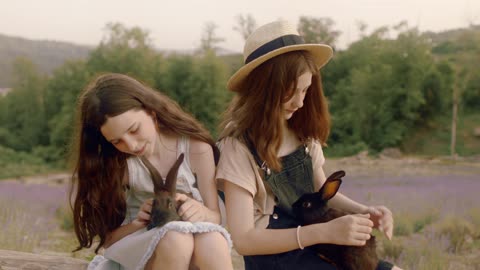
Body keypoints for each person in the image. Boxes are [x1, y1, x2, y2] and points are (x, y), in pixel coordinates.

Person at [216, 20, 401, 270]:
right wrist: (324, 233)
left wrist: (365, 212)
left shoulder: (302, 137)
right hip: (277, 259)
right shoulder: (237, 148)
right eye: (290, 92)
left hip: (320, 248)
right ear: (263, 90)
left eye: (305, 91)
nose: (299, 103)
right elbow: (245, 240)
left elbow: (321, 194)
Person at [70, 73, 233, 270]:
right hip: (142, 249)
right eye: (116, 141)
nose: (131, 144)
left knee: (213, 241)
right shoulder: (119, 165)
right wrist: (139, 222)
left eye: (134, 129)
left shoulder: (197, 149)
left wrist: (200, 211)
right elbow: (109, 240)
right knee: (176, 238)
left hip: (194, 241)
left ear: (152, 113)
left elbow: (216, 217)